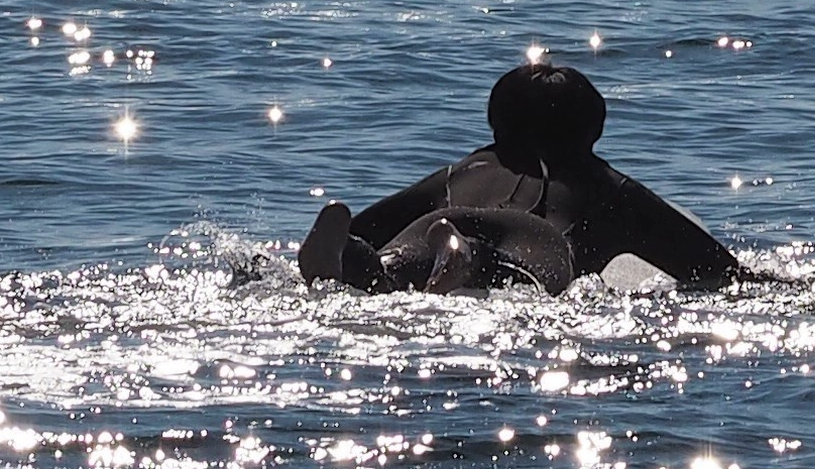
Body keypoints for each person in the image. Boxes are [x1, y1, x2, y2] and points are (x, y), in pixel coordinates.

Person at [295, 60, 743, 295]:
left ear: (496, 123)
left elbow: (364, 227)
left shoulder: (460, 172)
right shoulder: (609, 189)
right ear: (595, 128)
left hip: (436, 224)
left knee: (386, 268)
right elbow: (718, 273)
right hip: (532, 239)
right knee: (511, 273)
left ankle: (350, 265)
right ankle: (463, 255)